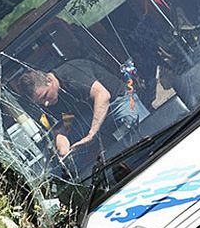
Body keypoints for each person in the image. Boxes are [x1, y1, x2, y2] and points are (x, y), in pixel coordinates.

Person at [18, 59, 150, 158]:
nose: (46, 103)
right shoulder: (52, 100)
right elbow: (66, 120)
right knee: (76, 154)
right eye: (40, 102)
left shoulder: (71, 74)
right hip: (89, 115)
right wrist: (63, 140)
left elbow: (103, 95)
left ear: (49, 80)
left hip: (118, 101)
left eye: (45, 96)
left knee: (144, 127)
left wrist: (91, 133)